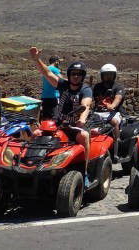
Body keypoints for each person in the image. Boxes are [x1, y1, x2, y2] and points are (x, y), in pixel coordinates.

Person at [29, 47, 93, 185]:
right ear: (69, 75)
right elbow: (47, 73)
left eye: (79, 74)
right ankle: (30, 166)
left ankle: (84, 172)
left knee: (84, 136)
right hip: (58, 123)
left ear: (83, 76)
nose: (76, 76)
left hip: (75, 125)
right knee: (35, 133)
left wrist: (81, 119)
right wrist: (36, 59)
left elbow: (86, 105)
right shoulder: (63, 85)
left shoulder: (85, 89)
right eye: (73, 73)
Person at [92, 64, 125, 145]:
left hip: (113, 112)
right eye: (106, 75)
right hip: (98, 112)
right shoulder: (97, 87)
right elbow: (90, 99)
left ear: (114, 75)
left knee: (114, 122)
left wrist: (112, 105)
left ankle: (117, 143)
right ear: (102, 76)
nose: (108, 77)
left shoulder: (118, 87)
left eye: (110, 74)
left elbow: (118, 98)